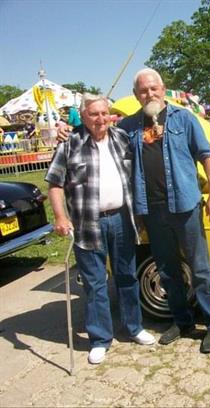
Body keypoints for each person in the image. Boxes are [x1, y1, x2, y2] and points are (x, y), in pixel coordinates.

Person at [119, 68, 210, 353]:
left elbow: (207, 155)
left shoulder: (185, 119)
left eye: (154, 88)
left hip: (185, 206)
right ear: (136, 95)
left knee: (199, 268)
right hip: (151, 210)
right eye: (143, 90)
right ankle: (183, 321)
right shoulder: (128, 127)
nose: (149, 94)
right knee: (167, 269)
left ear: (163, 89)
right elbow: (101, 140)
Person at [46, 93, 155, 365]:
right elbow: (55, 184)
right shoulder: (70, 145)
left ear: (110, 115)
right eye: (93, 114)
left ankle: (134, 328)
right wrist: (60, 216)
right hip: (87, 224)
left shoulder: (121, 139)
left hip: (121, 219)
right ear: (83, 117)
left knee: (127, 276)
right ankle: (100, 339)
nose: (99, 119)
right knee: (95, 284)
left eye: (103, 113)